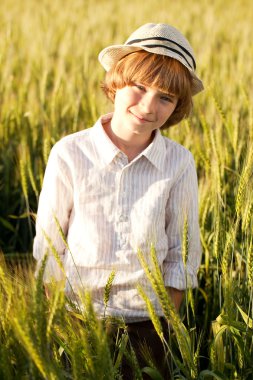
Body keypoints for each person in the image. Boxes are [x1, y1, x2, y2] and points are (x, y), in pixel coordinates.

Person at [33, 23, 203, 378]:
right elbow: (50, 244)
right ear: (115, 84)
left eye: (165, 97)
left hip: (150, 328)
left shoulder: (179, 162)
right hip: (79, 318)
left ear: (177, 107)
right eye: (138, 87)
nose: (147, 106)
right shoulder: (69, 154)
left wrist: (163, 320)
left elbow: (182, 250)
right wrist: (58, 319)